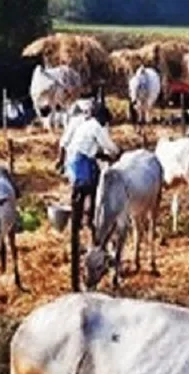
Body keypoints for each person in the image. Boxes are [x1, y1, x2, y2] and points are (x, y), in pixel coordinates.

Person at [57, 104, 119, 290]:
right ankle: (87, 219)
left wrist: (102, 155)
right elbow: (109, 146)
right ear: (101, 119)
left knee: (79, 189)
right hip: (82, 161)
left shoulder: (84, 125)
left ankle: (79, 217)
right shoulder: (96, 127)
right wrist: (117, 154)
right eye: (105, 121)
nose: (105, 124)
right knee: (89, 187)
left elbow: (92, 148)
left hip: (74, 160)